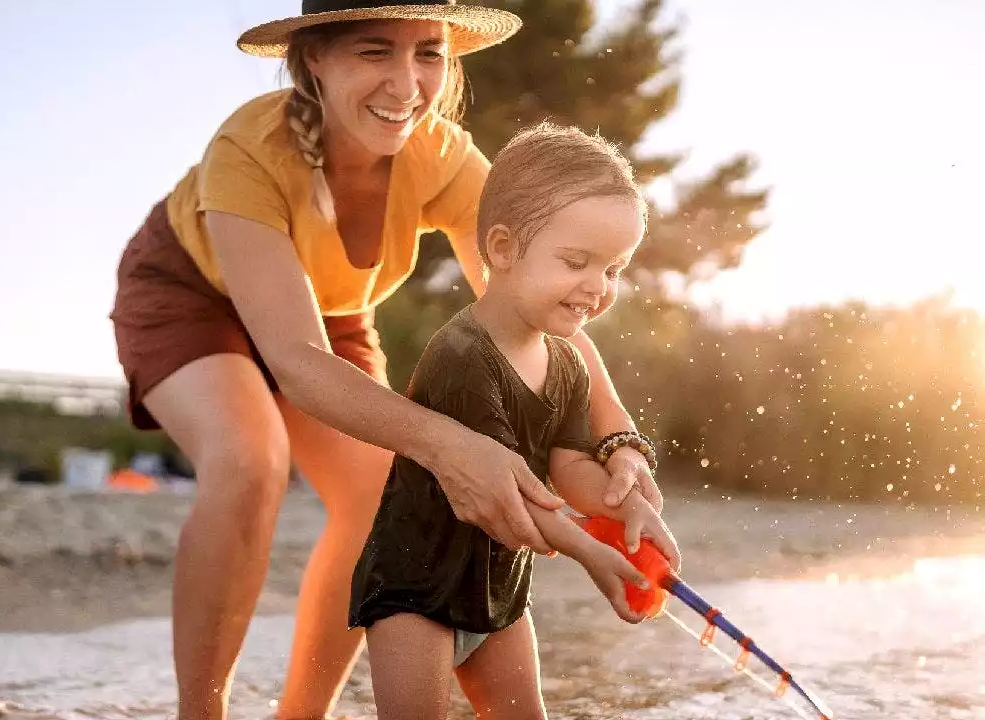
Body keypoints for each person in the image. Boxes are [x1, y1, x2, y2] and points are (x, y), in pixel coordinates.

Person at [108, 2, 665, 718]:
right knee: (249, 459)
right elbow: (297, 361)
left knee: (380, 494)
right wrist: (451, 445)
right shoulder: (250, 147)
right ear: (314, 58)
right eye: (375, 52)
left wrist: (619, 443)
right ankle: (201, 713)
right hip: (191, 291)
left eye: (428, 54)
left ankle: (300, 715)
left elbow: (540, 307)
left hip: (331, 311)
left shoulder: (445, 156)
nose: (407, 85)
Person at [348, 121, 682, 719]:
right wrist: (591, 555)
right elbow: (515, 498)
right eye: (576, 261)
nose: (598, 287)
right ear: (501, 249)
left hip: (498, 582)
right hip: (415, 586)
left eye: (612, 269)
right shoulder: (462, 356)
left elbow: (569, 466)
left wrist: (626, 507)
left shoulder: (564, 362)